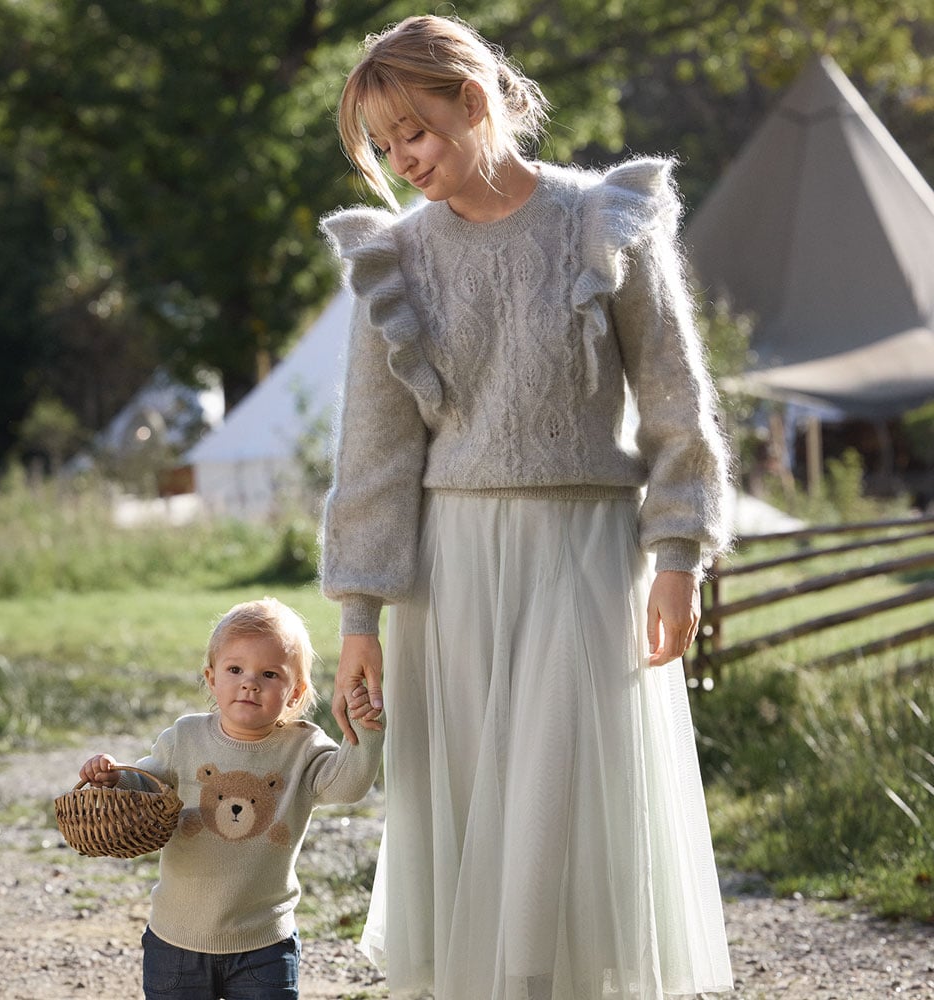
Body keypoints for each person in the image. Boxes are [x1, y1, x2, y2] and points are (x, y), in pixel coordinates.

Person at [318, 13, 734, 1000]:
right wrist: (359, 618)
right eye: (383, 146)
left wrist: (678, 552)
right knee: (470, 814)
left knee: (568, 807)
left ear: (474, 102)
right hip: (449, 569)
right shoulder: (395, 261)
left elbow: (675, 399)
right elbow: (372, 454)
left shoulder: (603, 220)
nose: (401, 159)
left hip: (585, 554)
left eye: (413, 131)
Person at [78, 596, 384, 1000]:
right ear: (212, 678)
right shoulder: (185, 738)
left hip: (264, 944)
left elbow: (347, 785)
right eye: (235, 669)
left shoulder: (302, 747)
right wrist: (111, 778)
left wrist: (366, 731)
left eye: (270, 673)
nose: (250, 682)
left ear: (296, 692)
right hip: (177, 939)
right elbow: (146, 787)